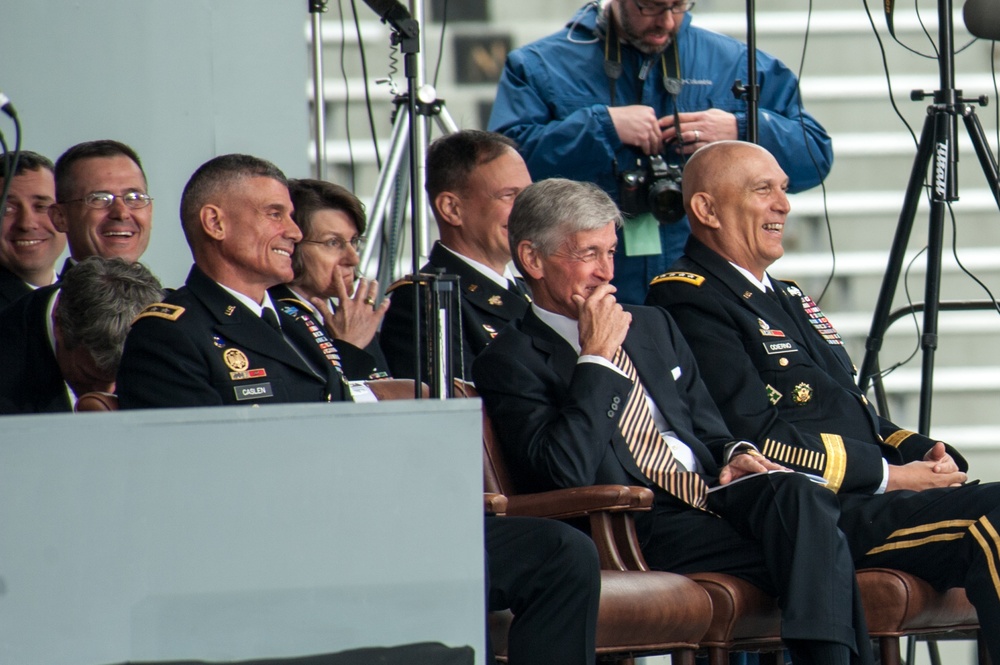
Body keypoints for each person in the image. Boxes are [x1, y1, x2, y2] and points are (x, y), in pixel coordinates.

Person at [472, 177, 873, 665]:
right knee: (821, 553)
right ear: (533, 259)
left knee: (798, 493)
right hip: (633, 519)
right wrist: (595, 358)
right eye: (588, 254)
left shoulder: (652, 326)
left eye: (611, 252)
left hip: (709, 496)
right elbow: (563, 469)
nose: (606, 272)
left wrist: (737, 455)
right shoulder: (510, 357)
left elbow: (710, 429)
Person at [645, 140, 1000, 661]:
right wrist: (890, 476)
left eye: (784, 190)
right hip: (820, 513)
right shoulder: (686, 296)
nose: (783, 204)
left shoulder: (787, 296)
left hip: (868, 500)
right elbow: (756, 438)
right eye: (763, 190)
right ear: (706, 209)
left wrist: (924, 453)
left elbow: (852, 409)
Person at [487, 0, 832, 305]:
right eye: (650, 6)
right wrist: (601, 127)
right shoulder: (539, 66)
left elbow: (815, 157)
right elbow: (504, 170)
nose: (666, 21)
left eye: (679, 6)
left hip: (708, 295)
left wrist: (739, 128)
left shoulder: (737, 65)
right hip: (588, 291)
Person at [117, 153, 352, 409]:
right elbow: (191, 446)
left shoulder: (296, 319)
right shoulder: (168, 335)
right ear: (216, 223)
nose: (295, 232)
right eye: (274, 214)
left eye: (291, 217)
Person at [380, 130, 533, 382]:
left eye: (528, 196)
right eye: (509, 195)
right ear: (452, 208)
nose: (527, 211)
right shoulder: (426, 301)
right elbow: (458, 414)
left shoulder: (530, 291)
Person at [0, 256, 163, 414]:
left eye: (122, 376)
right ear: (59, 325)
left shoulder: (173, 333)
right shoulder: (8, 364)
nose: (106, 393)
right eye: (89, 377)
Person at [269, 178, 390, 381]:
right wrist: (349, 347)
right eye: (333, 242)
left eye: (354, 241)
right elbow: (317, 404)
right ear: (292, 246)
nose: (353, 258)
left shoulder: (353, 315)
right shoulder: (271, 317)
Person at [49, 139, 153, 271]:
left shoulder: (167, 293)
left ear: (150, 211)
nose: (121, 213)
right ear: (60, 217)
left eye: (134, 197)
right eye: (100, 199)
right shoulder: (56, 293)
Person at [0, 151, 65, 308]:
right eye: (7, 209)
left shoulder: (84, 298)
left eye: (41, 206)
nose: (27, 223)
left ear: (65, 215)